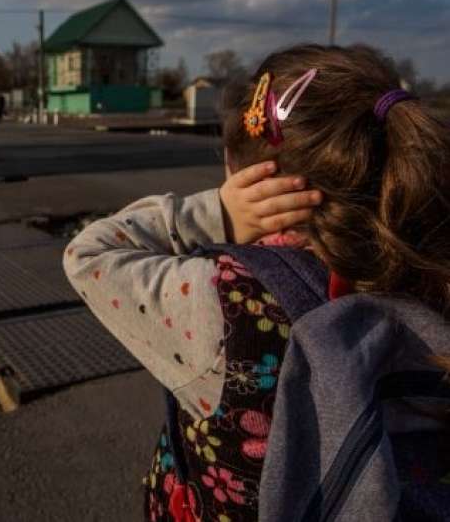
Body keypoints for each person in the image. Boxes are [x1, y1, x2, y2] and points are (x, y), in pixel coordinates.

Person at [62, 44, 450, 521]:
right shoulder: (431, 269)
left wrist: (217, 213)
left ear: (241, 174)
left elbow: (88, 255)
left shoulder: (225, 300)